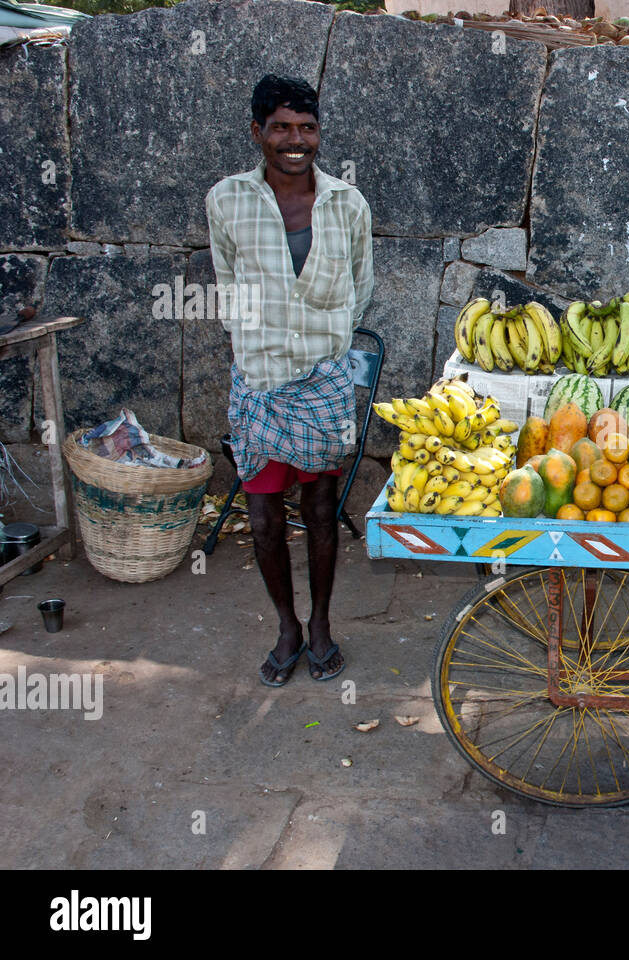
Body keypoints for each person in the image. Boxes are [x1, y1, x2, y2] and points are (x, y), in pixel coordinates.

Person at [206, 75, 373, 686]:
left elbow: (361, 286)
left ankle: (322, 623)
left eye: (306, 127)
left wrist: (324, 345)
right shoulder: (226, 201)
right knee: (263, 519)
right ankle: (287, 625)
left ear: (319, 134)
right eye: (281, 127)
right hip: (257, 381)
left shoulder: (347, 204)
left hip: (323, 385)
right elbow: (227, 286)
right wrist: (262, 343)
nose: (295, 139)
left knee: (323, 510)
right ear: (258, 133)